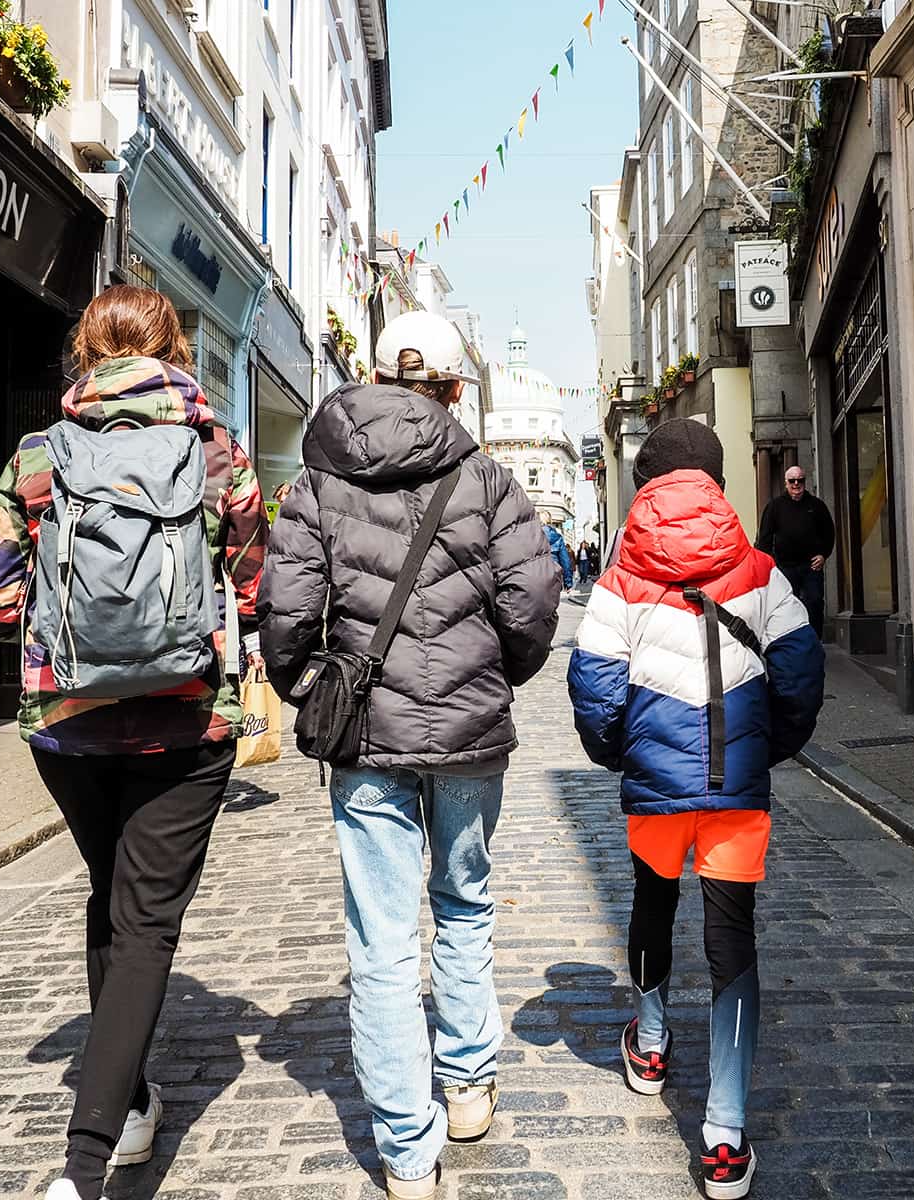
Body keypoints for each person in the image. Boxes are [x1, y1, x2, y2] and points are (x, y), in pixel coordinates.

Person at [0, 285, 267, 1200]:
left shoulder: (38, 456)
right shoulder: (219, 454)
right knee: (146, 923)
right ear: (176, 351)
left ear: (85, 355)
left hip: (69, 723)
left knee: (112, 894)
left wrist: (64, 628)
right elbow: (255, 587)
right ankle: (87, 1163)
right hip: (188, 720)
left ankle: (130, 1105)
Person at [259, 310, 560, 1200]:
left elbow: (285, 610)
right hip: (469, 737)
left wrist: (310, 686)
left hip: (368, 740)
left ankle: (406, 1152)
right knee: (464, 906)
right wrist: (496, 674)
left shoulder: (320, 481)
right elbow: (534, 601)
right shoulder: (488, 479)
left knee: (383, 941)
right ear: (454, 389)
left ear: (378, 377)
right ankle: (467, 1088)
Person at [568, 418, 823, 1200]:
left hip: (656, 784)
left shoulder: (621, 576)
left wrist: (623, 754)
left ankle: (649, 1043)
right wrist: (765, 750)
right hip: (736, 787)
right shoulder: (761, 570)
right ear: (717, 481)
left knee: (651, 902)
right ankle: (724, 1135)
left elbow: (593, 685)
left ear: (645, 486)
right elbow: (801, 673)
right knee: (731, 937)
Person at [754, 465, 833, 631]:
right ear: (786, 483)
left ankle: (815, 639)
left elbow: (829, 533)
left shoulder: (817, 505)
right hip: (785, 566)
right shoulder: (775, 506)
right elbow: (765, 538)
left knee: (815, 602)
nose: (796, 484)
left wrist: (823, 555)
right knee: (787, 606)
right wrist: (769, 565)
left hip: (811, 566)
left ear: (805, 482)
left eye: (800, 480)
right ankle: (793, 639)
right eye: (792, 481)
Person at [545, 520, 575, 590]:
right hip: (554, 577)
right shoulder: (557, 537)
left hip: (535, 578)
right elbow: (565, 561)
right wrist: (568, 582)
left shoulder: (531, 537)